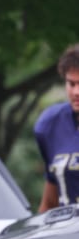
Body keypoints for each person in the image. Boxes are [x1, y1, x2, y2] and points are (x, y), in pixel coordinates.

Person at [34, 43, 79, 212]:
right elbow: (50, 199)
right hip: (67, 233)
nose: (76, 92)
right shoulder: (50, 124)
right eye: (71, 84)